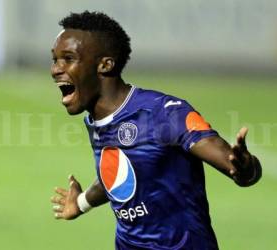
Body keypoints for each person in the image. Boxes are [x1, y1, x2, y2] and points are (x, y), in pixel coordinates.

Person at [50, 11, 262, 250]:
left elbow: (235, 167)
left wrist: (245, 167)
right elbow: (124, 173)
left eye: (68, 59)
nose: (56, 69)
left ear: (105, 65)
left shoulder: (164, 113)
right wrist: (80, 203)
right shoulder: (98, 119)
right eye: (55, 59)